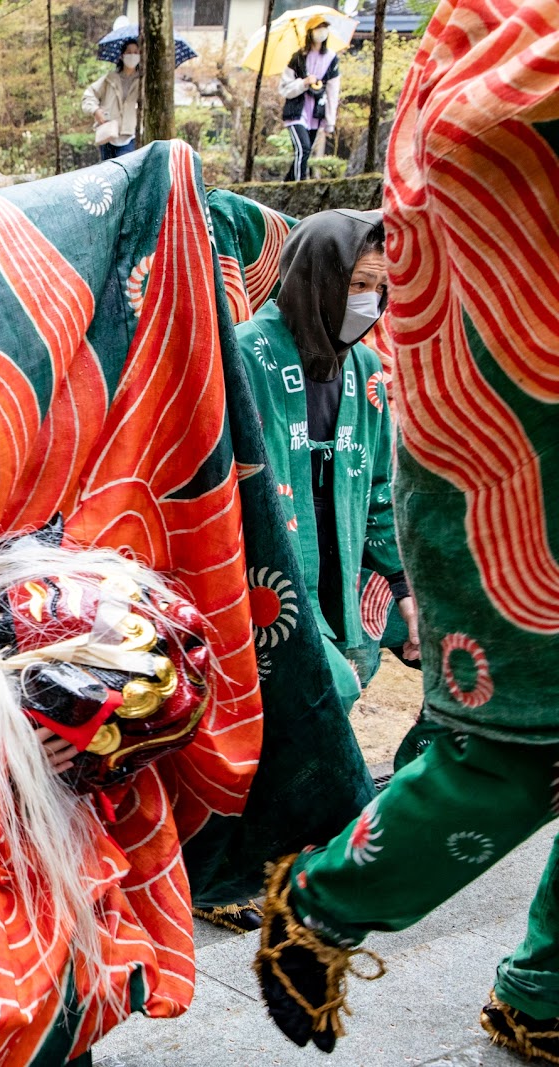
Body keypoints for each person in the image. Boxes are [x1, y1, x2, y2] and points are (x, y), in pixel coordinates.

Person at [254, 1, 559, 1059]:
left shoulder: (371, 375)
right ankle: (321, 899)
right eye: (360, 285)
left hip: (404, 528)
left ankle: (549, 986)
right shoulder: (506, 59)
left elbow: (372, 497)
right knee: (513, 747)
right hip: (514, 467)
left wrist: (389, 592)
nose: (369, 301)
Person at [235, 209, 417, 718]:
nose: (371, 303)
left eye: (381, 289)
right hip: (269, 574)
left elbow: (379, 487)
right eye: (359, 283)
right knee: (315, 693)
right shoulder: (248, 355)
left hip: (343, 563)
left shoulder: (363, 366)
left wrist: (404, 586)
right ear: (318, 276)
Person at [280, 17, 340, 181]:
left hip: (316, 113)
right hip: (296, 112)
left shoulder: (331, 59)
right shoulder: (298, 58)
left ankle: (287, 184)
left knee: (304, 154)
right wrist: (303, 83)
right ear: (310, 32)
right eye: (318, 28)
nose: (322, 31)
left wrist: (330, 121)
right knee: (303, 149)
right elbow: (284, 89)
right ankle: (301, 186)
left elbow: (333, 91)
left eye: (324, 27)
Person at [82, 41, 142, 162]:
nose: (132, 55)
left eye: (136, 52)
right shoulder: (110, 79)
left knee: (125, 172)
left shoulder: (142, 81)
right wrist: (95, 110)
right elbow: (89, 95)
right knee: (107, 174)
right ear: (122, 55)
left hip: (130, 136)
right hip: (108, 133)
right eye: (129, 52)